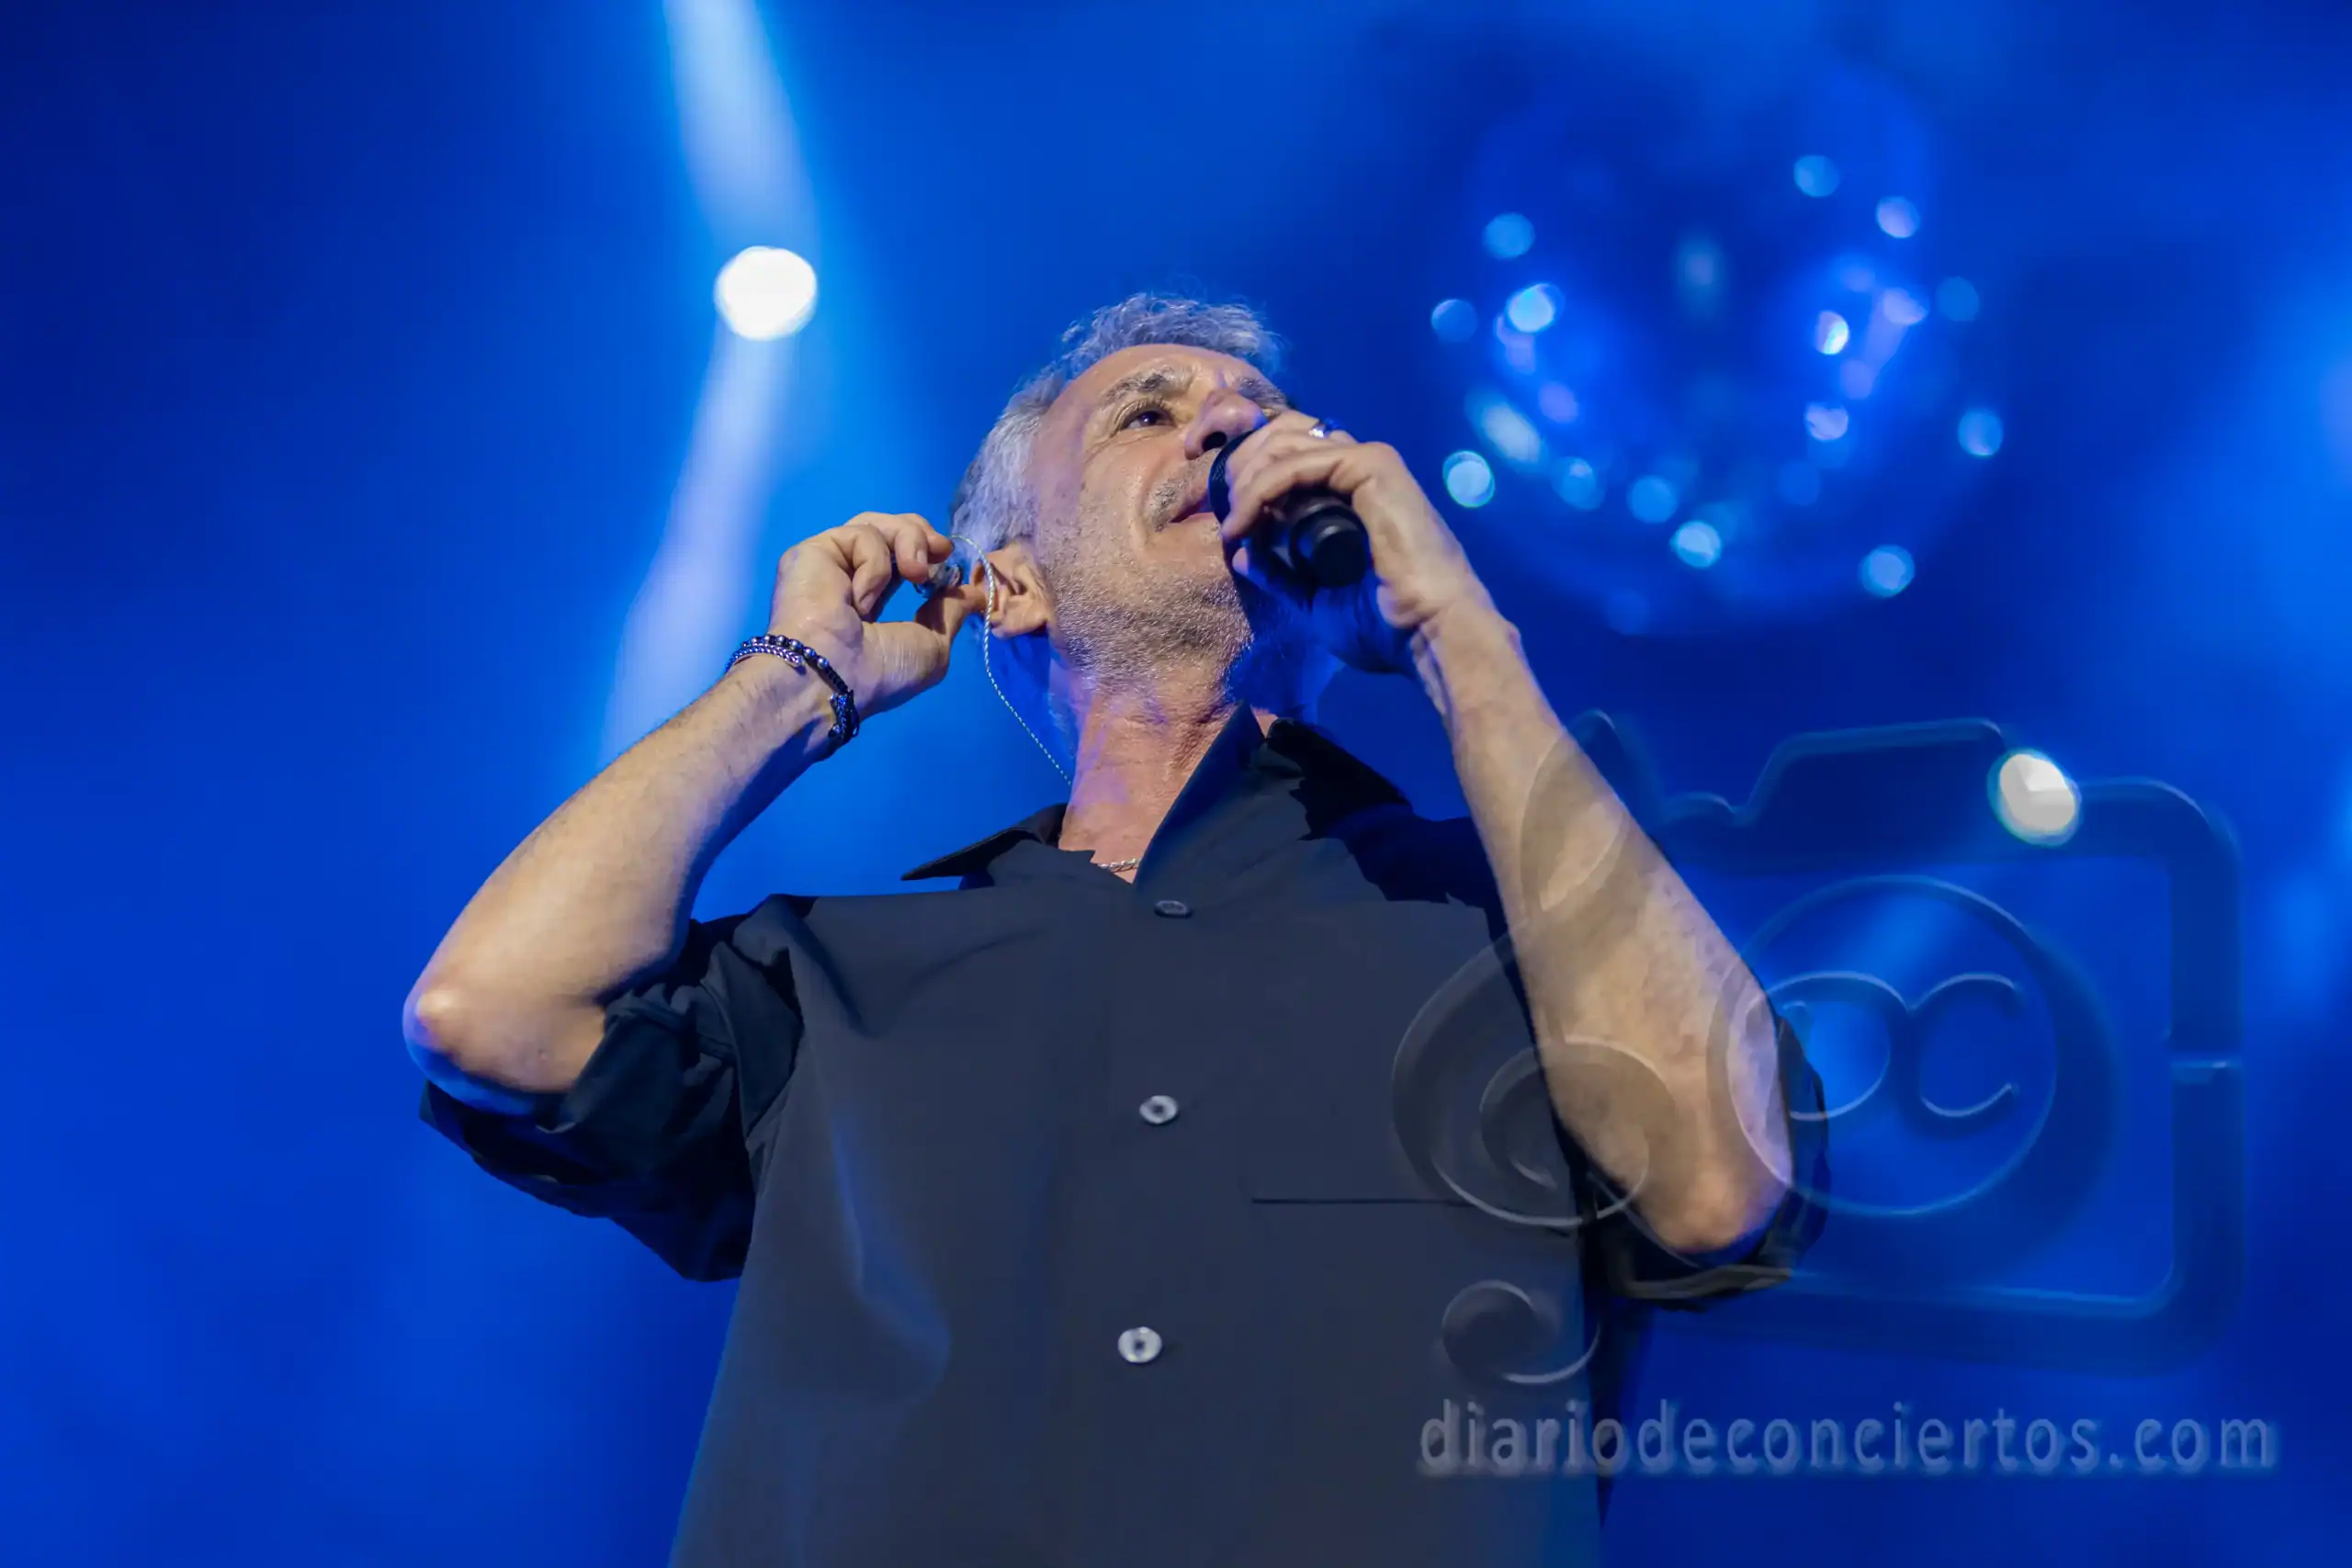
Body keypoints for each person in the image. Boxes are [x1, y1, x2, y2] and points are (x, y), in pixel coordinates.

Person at [405, 292, 1826, 1567]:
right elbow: (490, 1009)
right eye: (1149, 413)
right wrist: (793, 679)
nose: (1227, 428)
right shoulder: (832, 984)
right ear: (1010, 583)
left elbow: (1717, 1185)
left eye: (1258, 415)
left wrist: (1457, 629)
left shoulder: (1521, 926)